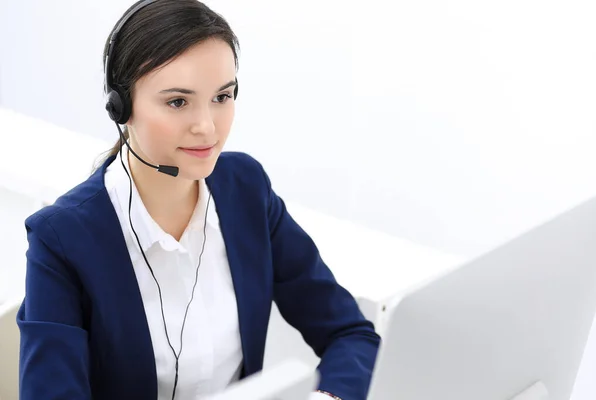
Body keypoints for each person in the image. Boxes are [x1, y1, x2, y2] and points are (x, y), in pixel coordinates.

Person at [16, 1, 381, 399]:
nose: (207, 127)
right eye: (178, 102)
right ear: (121, 108)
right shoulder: (62, 237)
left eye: (222, 96)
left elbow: (349, 333)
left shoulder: (246, 190)